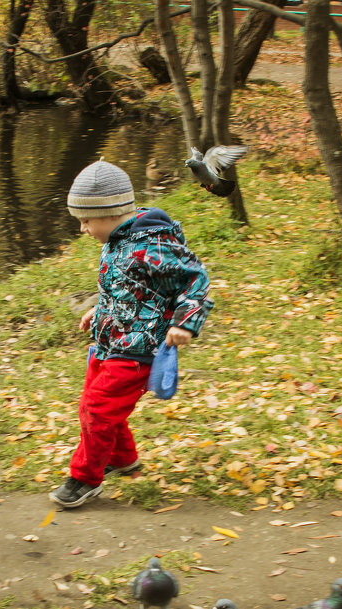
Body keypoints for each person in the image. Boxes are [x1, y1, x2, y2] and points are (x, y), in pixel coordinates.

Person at [50, 160, 213, 509]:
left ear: (108, 213)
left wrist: (185, 322)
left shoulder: (153, 246)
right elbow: (129, 287)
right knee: (95, 408)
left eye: (85, 220)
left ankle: (84, 478)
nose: (82, 229)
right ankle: (122, 459)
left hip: (139, 349)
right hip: (110, 341)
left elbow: (196, 280)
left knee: (97, 409)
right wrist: (101, 309)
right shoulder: (118, 239)